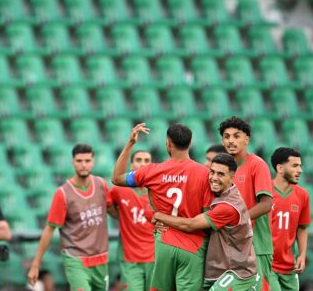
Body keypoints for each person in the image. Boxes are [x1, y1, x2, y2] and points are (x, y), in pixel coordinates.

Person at [112, 123, 213, 291]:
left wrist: (131, 143)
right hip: (193, 245)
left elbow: (117, 178)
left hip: (164, 243)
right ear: (190, 143)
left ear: (168, 143)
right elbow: (209, 212)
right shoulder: (204, 174)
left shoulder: (153, 171)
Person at [152, 153, 259, 290]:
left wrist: (159, 216)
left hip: (236, 273)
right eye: (212, 172)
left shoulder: (228, 207)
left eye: (220, 174)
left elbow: (190, 225)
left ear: (232, 177)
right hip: (221, 272)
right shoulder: (223, 195)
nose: (214, 178)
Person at [28, 144, 112, 291]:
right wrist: (35, 264)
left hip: (100, 258)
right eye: (79, 161)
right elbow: (49, 229)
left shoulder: (101, 185)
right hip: (76, 259)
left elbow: (114, 211)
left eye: (87, 160)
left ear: (93, 161)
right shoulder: (63, 194)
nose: (83, 165)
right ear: (72, 162)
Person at [218, 116, 273, 290]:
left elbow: (266, 204)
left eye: (236, 136)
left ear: (247, 139)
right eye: (226, 137)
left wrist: (238, 221)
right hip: (230, 245)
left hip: (256, 244)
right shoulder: (222, 170)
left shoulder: (257, 165)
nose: (231, 141)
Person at [109, 150, 154, 291]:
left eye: (147, 160)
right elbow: (108, 204)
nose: (143, 164)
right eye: (139, 160)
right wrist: (120, 215)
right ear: (131, 165)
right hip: (130, 259)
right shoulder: (119, 190)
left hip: (155, 257)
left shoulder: (158, 190)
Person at [269, 147, 311, 291]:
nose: (300, 170)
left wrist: (302, 254)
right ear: (280, 168)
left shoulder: (302, 195)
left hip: (290, 267)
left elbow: (302, 227)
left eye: (300, 166)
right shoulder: (264, 192)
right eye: (294, 166)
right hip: (267, 266)